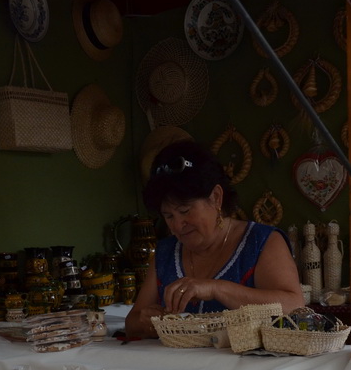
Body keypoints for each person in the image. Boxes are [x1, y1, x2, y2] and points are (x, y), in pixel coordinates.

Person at [125, 140, 305, 339]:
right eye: (168, 216)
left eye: (185, 211)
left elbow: (293, 307)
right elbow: (132, 322)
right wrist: (146, 321)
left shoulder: (261, 241)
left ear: (216, 197)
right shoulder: (166, 253)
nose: (177, 225)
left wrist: (216, 288)